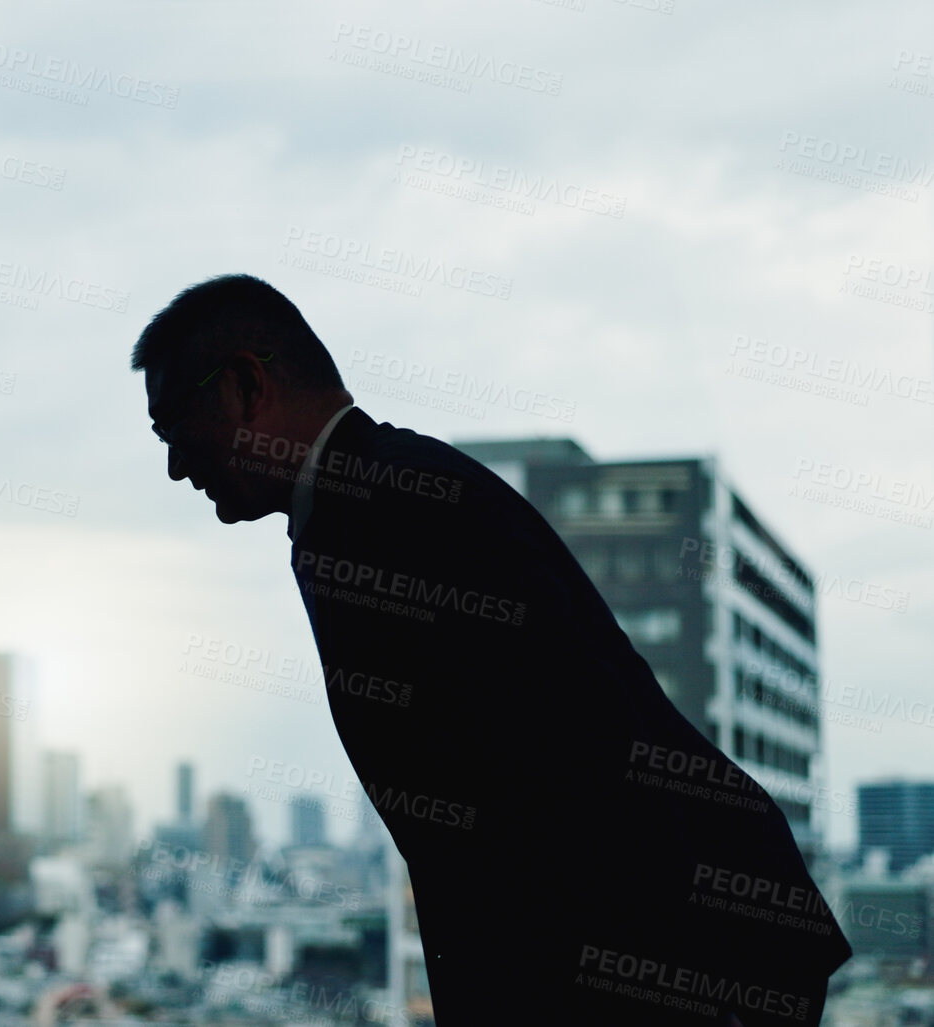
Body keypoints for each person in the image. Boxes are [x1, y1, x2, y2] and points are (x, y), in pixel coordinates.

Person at [133, 274, 849, 1026]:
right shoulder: (378, 492)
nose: (178, 465)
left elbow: (568, 771)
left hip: (681, 959)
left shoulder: (389, 509)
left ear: (246, 383)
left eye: (172, 427)